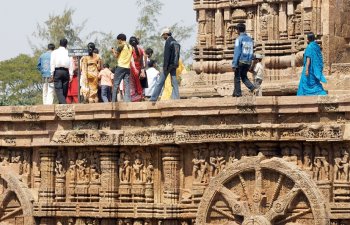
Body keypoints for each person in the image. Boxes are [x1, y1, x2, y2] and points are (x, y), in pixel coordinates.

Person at [150, 28, 181, 101]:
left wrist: (165, 67)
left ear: (166, 34)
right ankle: (176, 98)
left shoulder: (168, 41)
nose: (163, 37)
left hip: (168, 66)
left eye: (163, 35)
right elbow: (178, 55)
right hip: (174, 64)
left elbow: (167, 55)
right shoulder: (176, 42)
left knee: (160, 82)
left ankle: (153, 98)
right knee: (174, 82)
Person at [232, 23, 255, 97]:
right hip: (248, 61)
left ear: (238, 30)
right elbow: (251, 51)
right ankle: (253, 88)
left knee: (237, 78)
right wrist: (250, 62)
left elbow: (237, 52)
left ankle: (238, 94)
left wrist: (234, 64)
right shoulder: (250, 39)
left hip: (241, 61)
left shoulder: (239, 39)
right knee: (244, 77)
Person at [50, 38, 74, 104]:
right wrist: (71, 74)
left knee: (58, 89)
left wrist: (52, 73)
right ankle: (62, 103)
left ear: (59, 44)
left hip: (57, 71)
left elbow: (52, 63)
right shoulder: (69, 52)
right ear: (66, 45)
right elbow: (71, 64)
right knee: (65, 89)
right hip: (66, 72)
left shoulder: (54, 52)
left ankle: (63, 103)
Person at [111, 33, 133, 102]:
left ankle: (113, 101)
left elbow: (116, 56)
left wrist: (113, 51)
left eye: (118, 40)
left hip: (120, 66)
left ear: (120, 40)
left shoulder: (121, 46)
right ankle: (127, 101)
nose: (118, 42)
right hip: (127, 67)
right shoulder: (130, 46)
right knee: (127, 85)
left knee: (116, 84)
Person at [128, 36, 144, 102]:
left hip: (132, 68)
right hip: (139, 68)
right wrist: (142, 69)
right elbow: (142, 61)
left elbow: (130, 60)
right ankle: (140, 96)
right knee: (138, 82)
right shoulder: (141, 49)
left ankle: (134, 98)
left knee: (132, 83)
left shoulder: (130, 50)